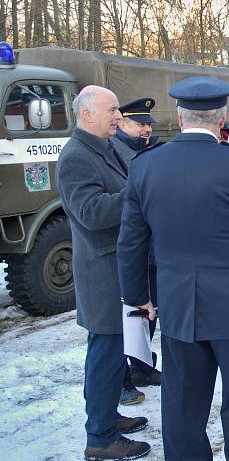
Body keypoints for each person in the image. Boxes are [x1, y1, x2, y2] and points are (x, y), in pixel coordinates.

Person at [116, 76, 229, 460]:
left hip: (181, 309)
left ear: (180, 119)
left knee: (182, 411)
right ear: (222, 118)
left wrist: (137, 297)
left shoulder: (146, 166)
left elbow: (130, 243)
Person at [56, 86, 150, 461]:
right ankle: (100, 438)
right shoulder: (76, 157)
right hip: (103, 271)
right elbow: (91, 213)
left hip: (119, 265)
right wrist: (138, 193)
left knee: (115, 353)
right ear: (87, 114)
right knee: (105, 354)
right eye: (111, 110)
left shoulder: (107, 146)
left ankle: (108, 416)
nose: (118, 116)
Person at [111, 97, 161, 403]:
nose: (145, 129)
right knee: (128, 316)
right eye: (139, 123)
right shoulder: (116, 152)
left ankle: (142, 366)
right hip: (130, 251)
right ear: (121, 123)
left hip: (153, 250)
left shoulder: (147, 151)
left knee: (148, 314)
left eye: (147, 124)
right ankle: (123, 379)